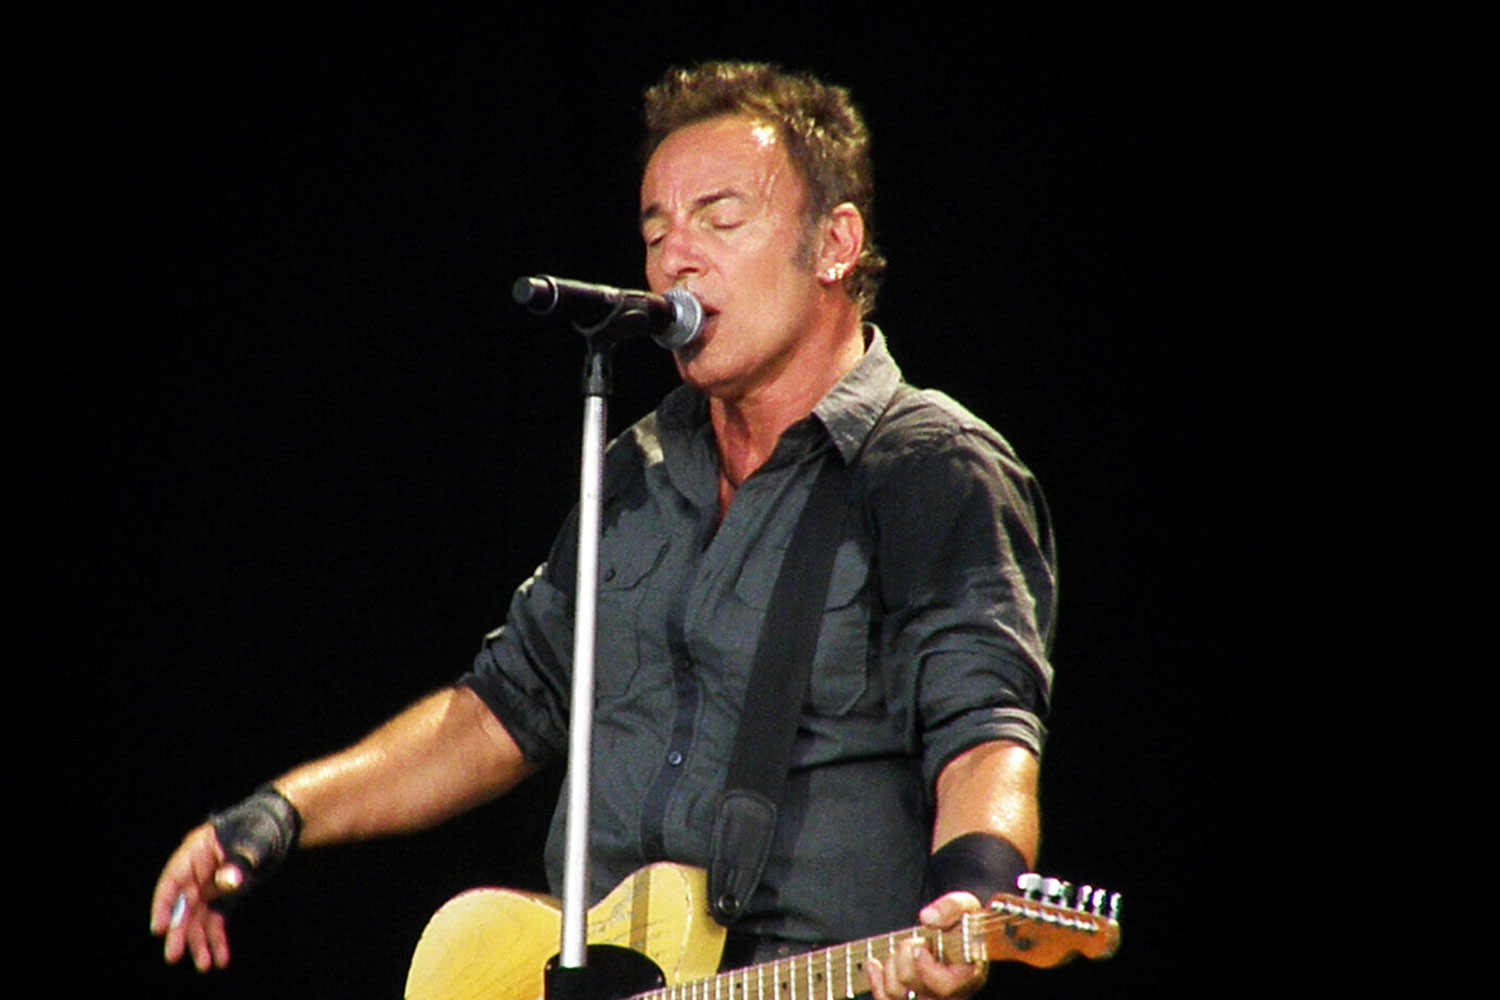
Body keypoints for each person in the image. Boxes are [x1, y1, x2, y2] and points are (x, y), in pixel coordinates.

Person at [150, 61, 1056, 1000]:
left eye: (720, 219)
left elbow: (986, 735)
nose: (675, 259)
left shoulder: (931, 470)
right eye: (656, 231)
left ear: (835, 244)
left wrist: (970, 896)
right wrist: (279, 813)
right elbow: (501, 709)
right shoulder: (639, 468)